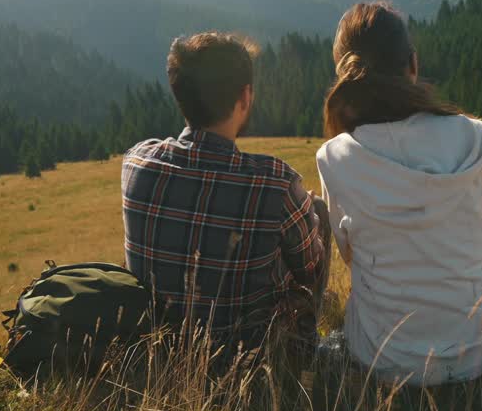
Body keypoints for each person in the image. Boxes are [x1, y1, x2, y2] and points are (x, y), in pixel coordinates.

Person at [315, 2, 482, 386]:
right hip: (478, 352)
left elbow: (349, 256)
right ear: (413, 63)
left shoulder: (334, 157)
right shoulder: (474, 138)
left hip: (382, 356)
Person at [122, 32, 329, 366]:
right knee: (315, 211)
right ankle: (307, 356)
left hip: (161, 360)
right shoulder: (275, 182)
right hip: (251, 366)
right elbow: (310, 270)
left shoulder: (136, 163)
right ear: (244, 97)